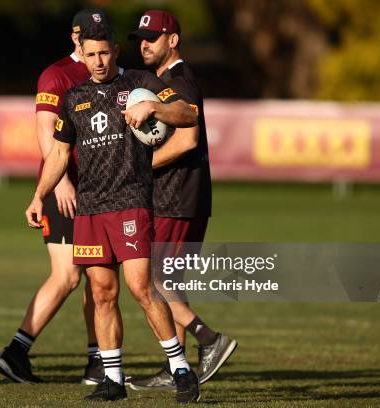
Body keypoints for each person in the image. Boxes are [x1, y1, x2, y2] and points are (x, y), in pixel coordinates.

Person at [25, 23, 201, 403]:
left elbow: (187, 114)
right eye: (90, 54)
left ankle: (181, 370)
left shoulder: (141, 82)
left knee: (141, 287)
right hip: (89, 209)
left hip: (130, 201)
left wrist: (154, 107)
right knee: (102, 293)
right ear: (82, 55)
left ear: (115, 51)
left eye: (104, 53)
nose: (98, 61)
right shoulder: (74, 97)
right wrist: (39, 195)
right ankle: (113, 379)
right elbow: (58, 154)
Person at [0, 8, 109, 385]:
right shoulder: (57, 75)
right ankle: (15, 352)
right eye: (84, 34)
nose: (88, 39)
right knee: (68, 275)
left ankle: (98, 361)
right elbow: (45, 134)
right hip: (65, 191)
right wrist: (60, 184)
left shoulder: (106, 74)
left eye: (97, 33)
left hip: (99, 191)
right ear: (74, 36)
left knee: (97, 276)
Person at [126, 10, 238, 391]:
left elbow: (188, 136)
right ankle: (178, 368)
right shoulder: (163, 80)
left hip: (178, 197)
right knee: (169, 281)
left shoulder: (178, 80)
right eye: (141, 37)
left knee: (155, 283)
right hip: (178, 197)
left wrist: (143, 167)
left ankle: (209, 339)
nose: (144, 43)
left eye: (153, 37)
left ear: (172, 40)